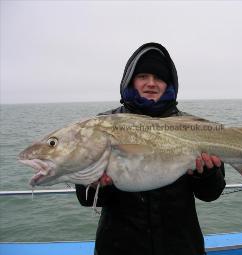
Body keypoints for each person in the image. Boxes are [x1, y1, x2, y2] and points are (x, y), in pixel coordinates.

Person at [75, 42, 226, 255]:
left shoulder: (194, 127)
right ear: (130, 80)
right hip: (119, 247)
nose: (151, 83)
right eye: (143, 76)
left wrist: (207, 174)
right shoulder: (102, 125)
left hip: (181, 246)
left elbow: (212, 193)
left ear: (169, 83)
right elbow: (87, 199)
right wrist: (99, 184)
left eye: (159, 78)